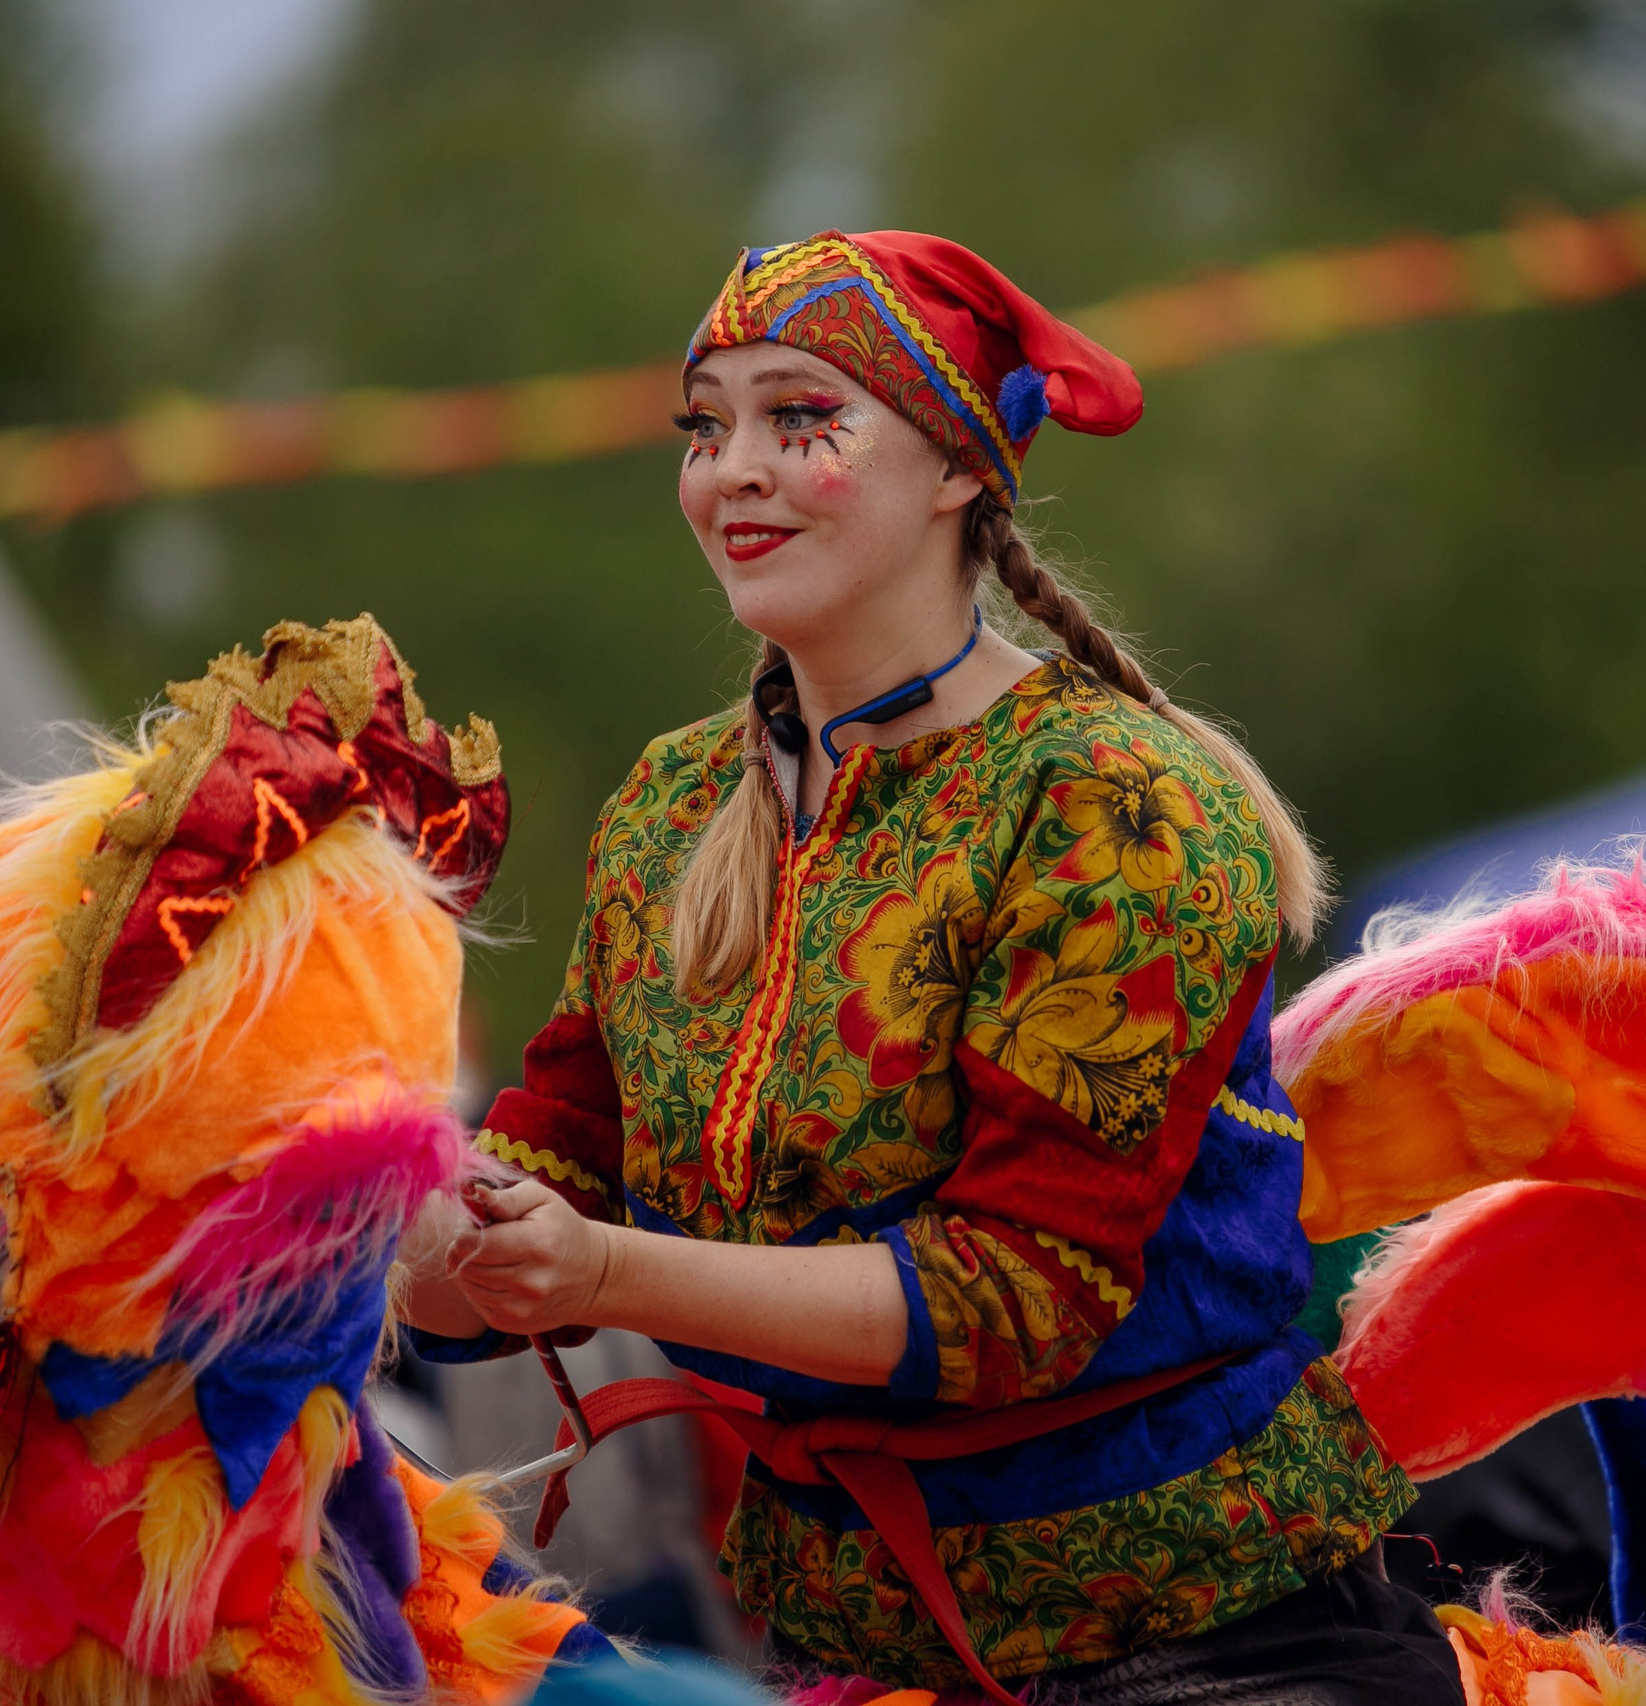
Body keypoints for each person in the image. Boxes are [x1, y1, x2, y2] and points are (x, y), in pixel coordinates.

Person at [399, 231, 1462, 1703]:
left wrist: (599, 1267)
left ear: (959, 466)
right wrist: (375, 1237)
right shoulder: (671, 805)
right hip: (849, 1647)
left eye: (801, 417)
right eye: (706, 427)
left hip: (1212, 1645)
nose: (734, 471)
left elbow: (1010, 1296)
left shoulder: (1115, 800)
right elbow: (554, 1168)